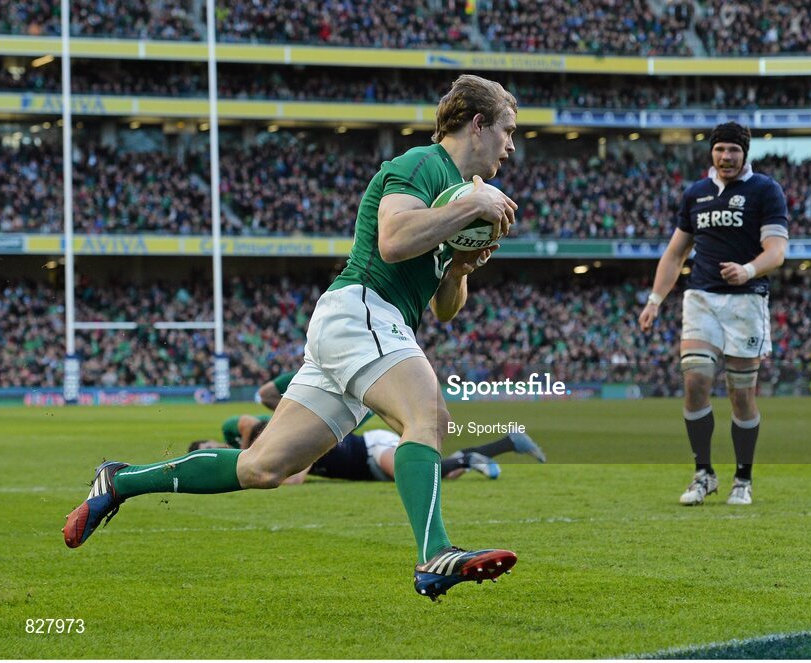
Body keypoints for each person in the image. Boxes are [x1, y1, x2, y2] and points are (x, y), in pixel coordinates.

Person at [64, 74, 520, 601]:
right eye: (507, 130)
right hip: (363, 309)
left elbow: (444, 310)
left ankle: (118, 481)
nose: (510, 146)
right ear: (478, 124)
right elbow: (392, 242)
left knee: (262, 467)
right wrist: (468, 210)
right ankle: (434, 554)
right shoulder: (424, 164)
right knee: (430, 417)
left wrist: (461, 267)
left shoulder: (455, 197)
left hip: (361, 324)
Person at [638, 121, 788, 507]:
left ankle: (743, 478)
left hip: (746, 301)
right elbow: (675, 254)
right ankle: (703, 473)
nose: (726, 157)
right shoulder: (696, 194)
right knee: (696, 381)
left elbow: (776, 250)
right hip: (701, 297)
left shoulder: (765, 190)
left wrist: (748, 269)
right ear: (712, 153)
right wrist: (655, 300)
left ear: (745, 153)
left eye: (733, 151)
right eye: (720, 150)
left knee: (741, 395)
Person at [191, 419, 547, 484]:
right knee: (443, 473)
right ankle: (506, 443)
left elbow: (296, 478)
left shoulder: (261, 438)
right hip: (365, 469)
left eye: (209, 446)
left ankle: (471, 458)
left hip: (370, 450)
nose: (215, 447)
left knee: (416, 474)